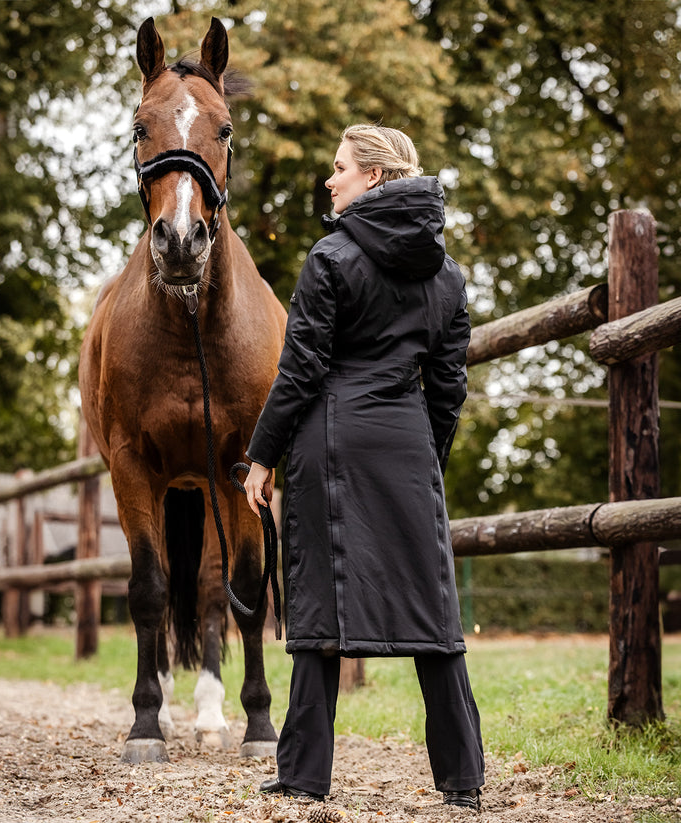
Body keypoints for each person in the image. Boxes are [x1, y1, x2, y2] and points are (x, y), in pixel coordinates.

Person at [243, 124, 484, 810]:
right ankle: (463, 779)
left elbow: (300, 370)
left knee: (319, 607)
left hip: (332, 442)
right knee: (434, 612)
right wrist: (423, 462)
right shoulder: (447, 273)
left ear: (375, 177)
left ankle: (303, 776)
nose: (329, 178)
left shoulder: (330, 256)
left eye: (340, 167)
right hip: (406, 445)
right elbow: (448, 386)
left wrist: (262, 455)